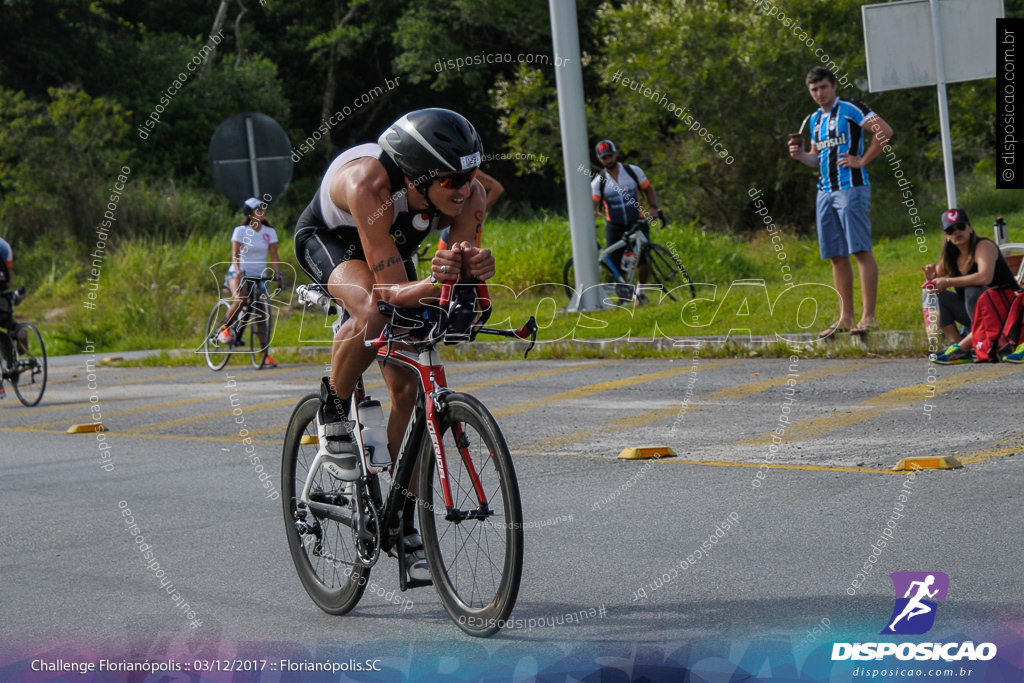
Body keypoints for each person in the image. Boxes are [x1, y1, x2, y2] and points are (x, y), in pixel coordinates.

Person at [293, 108, 494, 582]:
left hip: (388, 248)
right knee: (372, 312)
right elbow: (384, 296)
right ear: (418, 177)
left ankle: (400, 517)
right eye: (451, 180)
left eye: (469, 175)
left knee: (408, 390)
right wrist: (432, 280)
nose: (464, 188)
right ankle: (333, 408)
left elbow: (453, 282)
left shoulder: (470, 193)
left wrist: (470, 273)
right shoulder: (370, 185)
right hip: (333, 240)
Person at [789, 66, 893, 337]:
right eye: (814, 89)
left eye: (823, 87)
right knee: (836, 255)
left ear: (834, 86)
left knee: (860, 250)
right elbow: (816, 157)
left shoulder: (850, 108)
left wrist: (862, 160)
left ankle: (868, 317)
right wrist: (800, 156)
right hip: (824, 191)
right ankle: (845, 318)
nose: (819, 93)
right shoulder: (813, 120)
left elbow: (884, 131)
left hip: (851, 188)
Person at [924, 208, 1021, 364]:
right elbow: (935, 283)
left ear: (970, 227)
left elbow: (984, 277)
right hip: (979, 315)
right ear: (947, 236)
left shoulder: (983, 245)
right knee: (934, 295)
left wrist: (948, 281)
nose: (957, 232)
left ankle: (962, 348)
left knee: (973, 290)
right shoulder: (951, 255)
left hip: (1006, 312)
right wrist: (930, 280)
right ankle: (961, 347)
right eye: (951, 230)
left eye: (960, 227)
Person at [590, 139, 661, 302]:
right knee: (616, 263)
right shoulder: (598, 182)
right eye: (604, 158)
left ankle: (640, 293)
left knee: (643, 259)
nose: (608, 160)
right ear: (600, 160)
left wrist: (653, 207)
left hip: (637, 221)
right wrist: (593, 212)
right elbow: (593, 203)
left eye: (610, 156)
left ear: (616, 154)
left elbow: (648, 189)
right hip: (614, 225)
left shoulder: (632, 171)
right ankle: (624, 296)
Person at [218, 197, 283, 368]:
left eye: (263, 208)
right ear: (250, 213)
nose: (262, 211)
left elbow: (274, 256)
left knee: (261, 314)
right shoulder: (240, 231)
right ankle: (224, 329)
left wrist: (277, 273)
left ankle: (265, 355)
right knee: (240, 299)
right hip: (239, 273)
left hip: (259, 276)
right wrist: (238, 271)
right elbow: (235, 254)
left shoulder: (269, 232)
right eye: (258, 209)